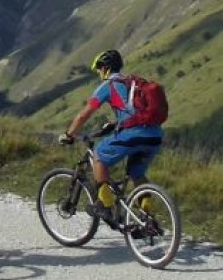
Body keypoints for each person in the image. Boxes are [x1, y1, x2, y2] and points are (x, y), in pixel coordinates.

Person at [60, 49, 163, 223]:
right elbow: (135, 111)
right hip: (154, 135)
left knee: (99, 156)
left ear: (106, 68)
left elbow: (84, 115)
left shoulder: (108, 86)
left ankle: (105, 205)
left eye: (99, 69)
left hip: (133, 134)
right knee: (137, 173)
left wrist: (69, 134)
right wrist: (116, 124)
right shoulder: (134, 82)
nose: (99, 73)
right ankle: (147, 219)